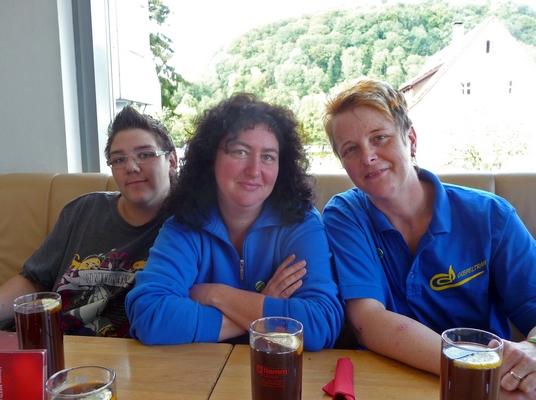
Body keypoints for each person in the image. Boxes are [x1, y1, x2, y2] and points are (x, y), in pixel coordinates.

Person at [321, 78, 536, 397]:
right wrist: (475, 367)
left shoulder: (491, 216)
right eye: (351, 149)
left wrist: (531, 349)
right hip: (390, 383)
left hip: (489, 388)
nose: (368, 157)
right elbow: (368, 321)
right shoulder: (345, 215)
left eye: (379, 138)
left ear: (410, 139)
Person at [125, 93, 344, 351]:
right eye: (240, 152)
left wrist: (217, 294)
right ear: (211, 159)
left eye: (268, 157)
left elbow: (320, 324)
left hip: (278, 371)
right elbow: (148, 315)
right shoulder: (183, 225)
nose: (254, 170)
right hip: (202, 371)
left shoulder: (301, 222)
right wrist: (262, 309)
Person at [0, 105, 178, 337]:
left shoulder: (187, 228)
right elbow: (33, 280)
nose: (131, 167)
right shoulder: (84, 209)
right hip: (46, 342)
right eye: (119, 159)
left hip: (114, 353)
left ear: (171, 161)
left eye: (145, 154)